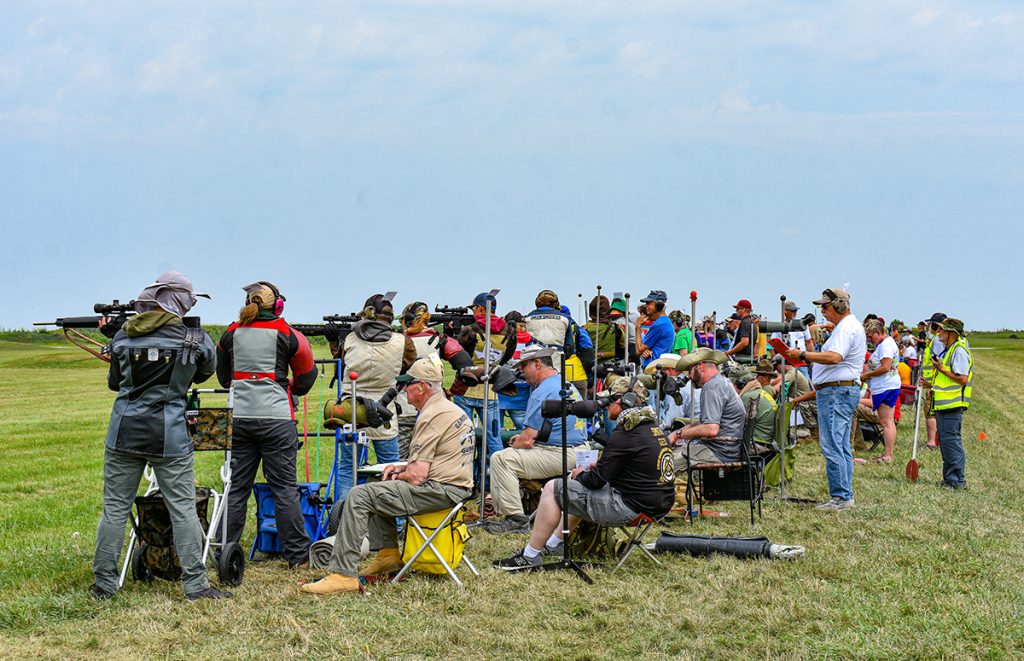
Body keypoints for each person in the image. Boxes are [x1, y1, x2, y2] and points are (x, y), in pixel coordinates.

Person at [90, 272, 231, 602]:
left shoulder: (122, 339)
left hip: (123, 430)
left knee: (114, 509)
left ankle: (104, 585)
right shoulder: (195, 339)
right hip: (169, 433)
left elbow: (115, 383)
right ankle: (195, 585)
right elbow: (202, 373)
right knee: (182, 508)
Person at [301, 356, 475, 595]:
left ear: (421, 386)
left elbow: (417, 477)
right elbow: (434, 462)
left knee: (359, 495)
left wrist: (405, 473)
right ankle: (388, 554)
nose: (404, 391)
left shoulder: (432, 415)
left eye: (407, 385)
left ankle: (342, 574)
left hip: (441, 490)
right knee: (376, 481)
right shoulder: (448, 408)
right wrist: (401, 469)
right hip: (454, 486)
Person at [492, 377, 675, 570]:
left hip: (631, 508)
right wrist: (598, 467)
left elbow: (594, 482)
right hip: (658, 506)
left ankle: (529, 556)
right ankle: (554, 544)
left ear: (625, 401)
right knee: (575, 491)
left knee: (554, 487)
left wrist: (579, 474)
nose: (606, 406)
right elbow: (629, 467)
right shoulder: (652, 429)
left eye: (610, 401)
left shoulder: (626, 434)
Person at [216, 281, 318, 570]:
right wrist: (290, 388)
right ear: (278, 305)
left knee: (236, 489)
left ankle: (225, 549)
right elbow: (306, 377)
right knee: (284, 489)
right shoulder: (288, 334)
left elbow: (224, 377)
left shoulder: (231, 333)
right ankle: (297, 557)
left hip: (240, 418)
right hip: (277, 419)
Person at [483, 346, 590, 534]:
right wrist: (526, 438)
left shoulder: (542, 391)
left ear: (538, 364)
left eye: (524, 366)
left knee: (501, 459)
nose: (522, 372)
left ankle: (516, 520)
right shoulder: (566, 383)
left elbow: (526, 440)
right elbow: (552, 427)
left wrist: (518, 442)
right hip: (583, 451)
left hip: (562, 453)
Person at [328, 293, 416, 502]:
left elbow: (340, 365)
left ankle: (341, 520)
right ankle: (396, 521)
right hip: (384, 409)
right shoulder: (403, 342)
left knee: (348, 468)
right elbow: (406, 366)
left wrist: (333, 341)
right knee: (391, 467)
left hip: (351, 409)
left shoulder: (349, 338)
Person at [787, 287, 865, 511]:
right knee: (839, 444)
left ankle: (841, 497)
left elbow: (834, 357)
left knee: (832, 444)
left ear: (840, 305)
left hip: (836, 393)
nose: (823, 311)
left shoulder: (846, 328)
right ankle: (843, 494)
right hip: (836, 392)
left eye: (826, 306)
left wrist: (802, 355)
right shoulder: (846, 327)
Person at [396, 302, 474, 460]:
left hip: (403, 408)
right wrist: (454, 391)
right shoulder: (440, 340)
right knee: (435, 458)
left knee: (399, 461)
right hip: (436, 408)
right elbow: (466, 368)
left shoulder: (395, 341)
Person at [454, 292, 516, 485]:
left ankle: (464, 480)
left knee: (463, 437)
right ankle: (500, 481)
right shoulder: (509, 331)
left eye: (474, 308)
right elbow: (506, 358)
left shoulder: (470, 330)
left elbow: (457, 355)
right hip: (491, 390)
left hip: (467, 387)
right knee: (494, 438)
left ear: (480, 308)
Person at [668, 347, 746, 474]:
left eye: (690, 370)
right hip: (728, 449)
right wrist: (678, 432)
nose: (689, 376)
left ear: (700, 367)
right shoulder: (722, 382)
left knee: (665, 462)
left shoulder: (712, 387)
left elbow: (711, 429)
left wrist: (678, 435)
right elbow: (705, 422)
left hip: (719, 453)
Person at [930, 318, 973, 490]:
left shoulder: (959, 351)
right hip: (944, 405)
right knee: (947, 443)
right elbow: (946, 378)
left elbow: (962, 378)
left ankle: (957, 481)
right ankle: (949, 478)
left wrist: (941, 369)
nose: (939, 332)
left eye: (943, 330)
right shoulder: (950, 349)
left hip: (953, 405)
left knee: (952, 442)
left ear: (952, 334)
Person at [524, 290, 588, 392]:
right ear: (556, 303)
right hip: (556, 365)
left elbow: (527, 345)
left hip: (534, 363)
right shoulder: (564, 319)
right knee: (556, 395)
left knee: (536, 395)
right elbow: (569, 347)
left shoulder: (527, 319)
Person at [861, 319, 901, 463]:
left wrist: (866, 375)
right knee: (887, 422)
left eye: (871, 336)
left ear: (879, 333)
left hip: (886, 387)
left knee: (886, 423)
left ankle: (888, 455)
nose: (869, 340)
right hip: (886, 386)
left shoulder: (885, 345)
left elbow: (885, 367)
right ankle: (887, 454)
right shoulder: (886, 344)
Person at [498, 310, 533, 430]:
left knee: (496, 429)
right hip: (521, 389)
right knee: (522, 427)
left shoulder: (499, 338)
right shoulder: (530, 340)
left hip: (500, 386)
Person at [919, 312, 947, 450]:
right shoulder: (943, 339)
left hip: (934, 382)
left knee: (930, 411)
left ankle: (931, 442)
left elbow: (937, 361)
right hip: (937, 381)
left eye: (931, 323)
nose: (929, 326)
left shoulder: (937, 340)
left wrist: (931, 384)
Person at [772, 301, 813, 379]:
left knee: (805, 383)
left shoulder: (802, 324)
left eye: (796, 310)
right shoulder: (779, 326)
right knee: (787, 385)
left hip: (801, 361)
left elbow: (808, 342)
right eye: (792, 311)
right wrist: (777, 363)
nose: (795, 312)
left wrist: (812, 360)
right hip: (786, 363)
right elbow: (772, 346)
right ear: (785, 311)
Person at [636, 290, 674, 369]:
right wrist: (645, 351)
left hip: (653, 369)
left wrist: (638, 326)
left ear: (658, 305)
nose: (646, 306)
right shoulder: (665, 321)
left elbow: (638, 350)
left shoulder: (659, 324)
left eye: (648, 303)